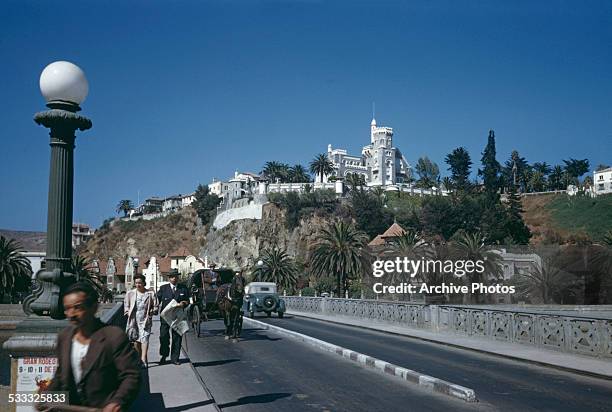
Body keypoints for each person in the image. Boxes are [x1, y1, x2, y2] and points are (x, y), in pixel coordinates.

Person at [42, 282, 141, 411]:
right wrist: (47, 396)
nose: (71, 314)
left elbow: (131, 376)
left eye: (78, 307)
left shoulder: (113, 336)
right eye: (67, 308)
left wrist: (117, 402)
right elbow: (61, 375)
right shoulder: (64, 338)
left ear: (94, 307)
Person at [156, 269, 190, 365]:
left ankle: (175, 358)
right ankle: (164, 355)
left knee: (177, 337)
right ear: (169, 278)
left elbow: (188, 301)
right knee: (163, 336)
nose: (174, 279)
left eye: (175, 276)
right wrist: (153, 309)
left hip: (177, 316)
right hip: (165, 317)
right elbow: (156, 301)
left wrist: (183, 303)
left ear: (178, 277)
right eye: (171, 277)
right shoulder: (163, 288)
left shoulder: (183, 288)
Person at [124, 274, 157, 368]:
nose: (138, 285)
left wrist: (152, 311)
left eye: (140, 283)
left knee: (145, 338)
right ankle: (138, 358)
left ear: (144, 283)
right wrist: (127, 312)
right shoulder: (130, 293)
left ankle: (143, 360)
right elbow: (126, 305)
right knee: (136, 340)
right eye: (136, 283)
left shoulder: (150, 294)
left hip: (145, 319)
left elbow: (156, 306)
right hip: (134, 319)